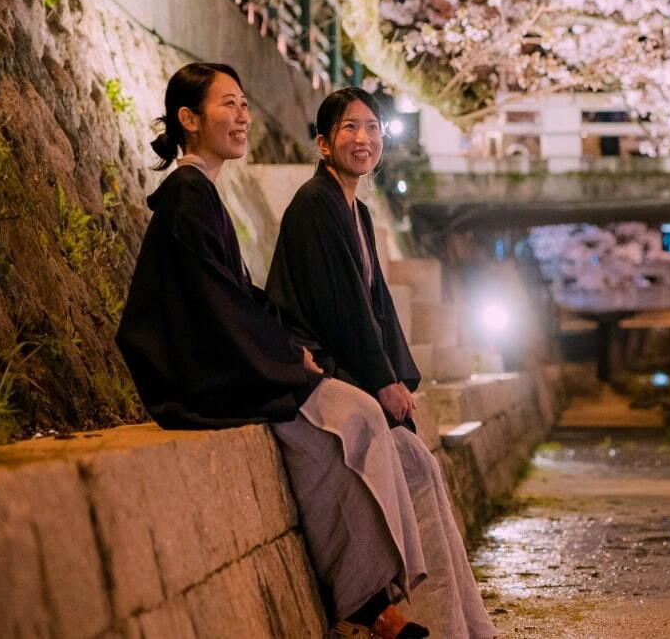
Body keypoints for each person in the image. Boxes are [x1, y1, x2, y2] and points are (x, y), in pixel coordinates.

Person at [115, 63, 430, 639]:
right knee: (349, 420)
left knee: (359, 419)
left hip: (233, 358)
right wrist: (288, 360)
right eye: (227, 105)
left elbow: (236, 297)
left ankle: (378, 599)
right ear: (189, 119)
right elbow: (216, 307)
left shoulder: (203, 191)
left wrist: (288, 349)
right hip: (203, 375)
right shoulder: (190, 194)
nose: (242, 117)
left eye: (243, 104)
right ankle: (371, 604)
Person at [266, 87, 498, 639]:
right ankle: (398, 615)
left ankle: (454, 620)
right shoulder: (314, 207)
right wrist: (382, 383)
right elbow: (343, 309)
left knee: (421, 464)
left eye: (372, 127)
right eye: (349, 128)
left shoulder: (359, 214)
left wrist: (398, 377)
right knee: (395, 460)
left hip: (350, 370)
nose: (364, 138)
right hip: (315, 370)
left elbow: (379, 307)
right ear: (323, 142)